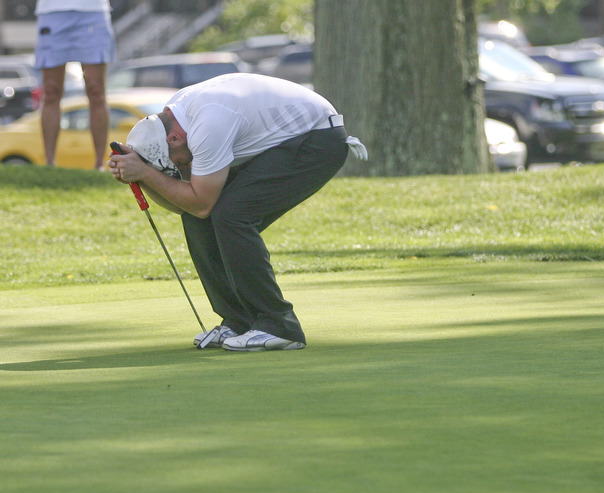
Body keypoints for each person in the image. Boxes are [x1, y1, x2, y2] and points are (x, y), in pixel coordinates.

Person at [108, 73, 367, 352]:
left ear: (173, 138)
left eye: (176, 163)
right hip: (282, 142)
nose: (181, 168)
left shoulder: (208, 124)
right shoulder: (177, 122)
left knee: (232, 214)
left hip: (317, 140)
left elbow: (201, 202)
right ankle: (240, 320)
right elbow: (185, 206)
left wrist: (146, 172)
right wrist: (143, 178)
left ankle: (279, 325)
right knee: (207, 218)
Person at [34, 0, 115, 170]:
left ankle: (99, 165)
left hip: (93, 11)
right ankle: (50, 164)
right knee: (50, 91)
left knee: (96, 91)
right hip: (52, 11)